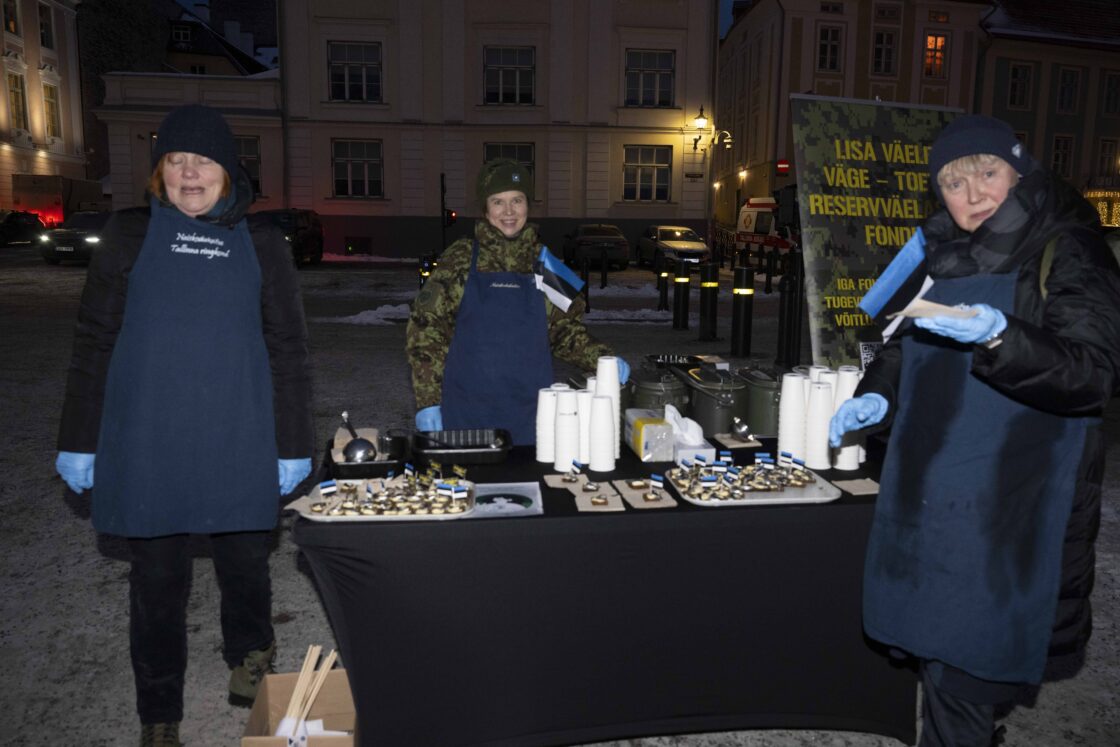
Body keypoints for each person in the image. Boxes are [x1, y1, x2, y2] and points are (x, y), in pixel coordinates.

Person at [830, 114, 1120, 746]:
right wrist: (876, 397)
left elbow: (1092, 374)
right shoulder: (942, 255)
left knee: (964, 680)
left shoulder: (1067, 248)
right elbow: (902, 347)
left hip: (1009, 520)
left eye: (988, 173)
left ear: (1021, 172)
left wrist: (1000, 334)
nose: (974, 195)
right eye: (954, 185)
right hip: (929, 507)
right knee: (942, 669)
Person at [54, 104, 314, 747]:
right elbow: (94, 340)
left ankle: (249, 666)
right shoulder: (128, 234)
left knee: (246, 566)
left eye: (204, 161)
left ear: (229, 172)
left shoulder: (261, 243)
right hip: (150, 441)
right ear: (158, 171)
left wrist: (292, 443)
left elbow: (288, 346)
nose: (189, 173)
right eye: (176, 160)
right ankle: (159, 710)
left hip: (239, 436)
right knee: (157, 580)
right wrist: (79, 437)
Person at [406, 158, 628, 444]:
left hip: (532, 414)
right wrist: (428, 401)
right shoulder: (459, 258)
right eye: (498, 201)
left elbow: (564, 333)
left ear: (527, 205)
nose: (508, 211)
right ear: (485, 210)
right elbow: (425, 331)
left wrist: (603, 359)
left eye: (517, 200)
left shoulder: (546, 263)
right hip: (466, 410)